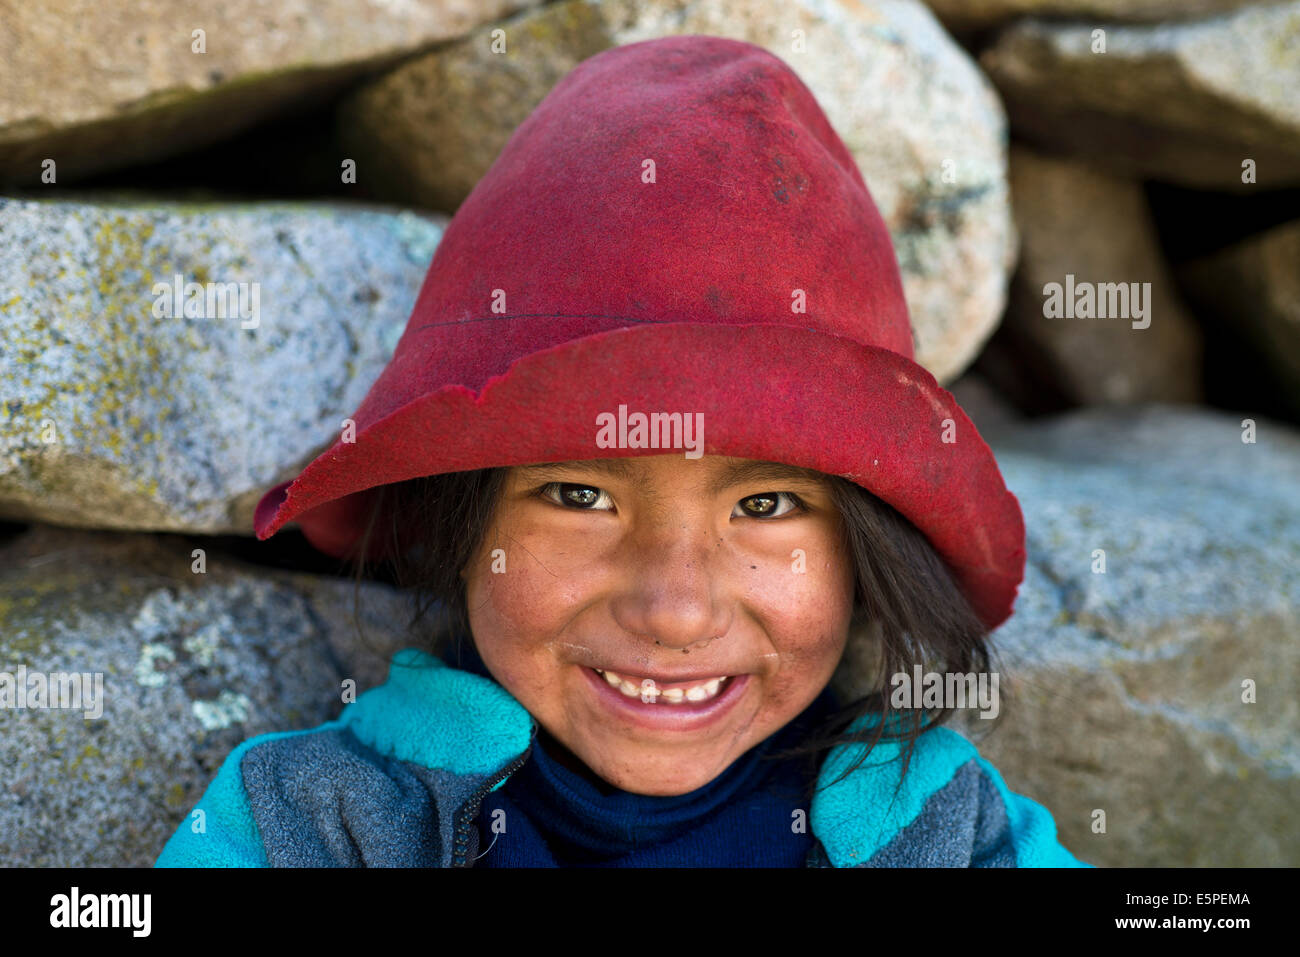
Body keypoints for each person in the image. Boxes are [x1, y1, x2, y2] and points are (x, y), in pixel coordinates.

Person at [156, 34, 1089, 868]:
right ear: (460, 520)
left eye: (764, 506)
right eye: (578, 495)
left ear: (865, 551)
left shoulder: (946, 834)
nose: (675, 610)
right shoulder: (312, 828)